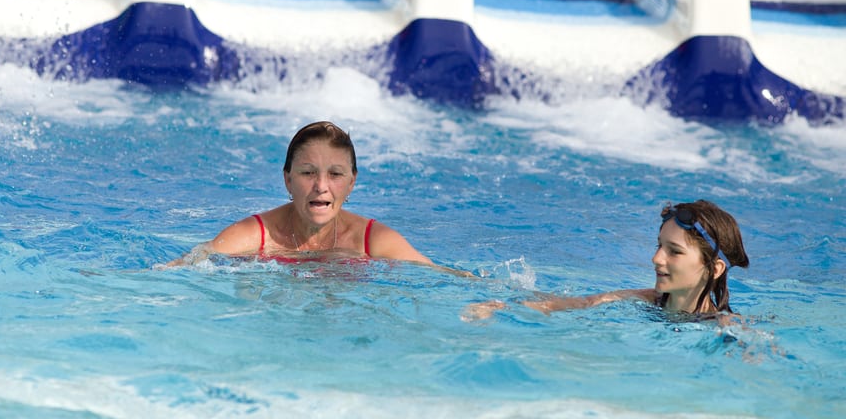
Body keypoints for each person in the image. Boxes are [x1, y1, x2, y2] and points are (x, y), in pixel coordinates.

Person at [166, 120, 437, 267]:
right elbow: (184, 266)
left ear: (352, 183)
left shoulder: (371, 240)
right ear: (287, 180)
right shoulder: (257, 235)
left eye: (335, 174)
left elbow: (443, 278)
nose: (321, 186)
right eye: (308, 173)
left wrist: (481, 301)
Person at [464, 200, 750, 321]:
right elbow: (580, 304)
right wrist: (506, 309)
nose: (655, 258)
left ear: (714, 269)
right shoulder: (646, 299)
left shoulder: (724, 326)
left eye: (673, 251)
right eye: (658, 246)